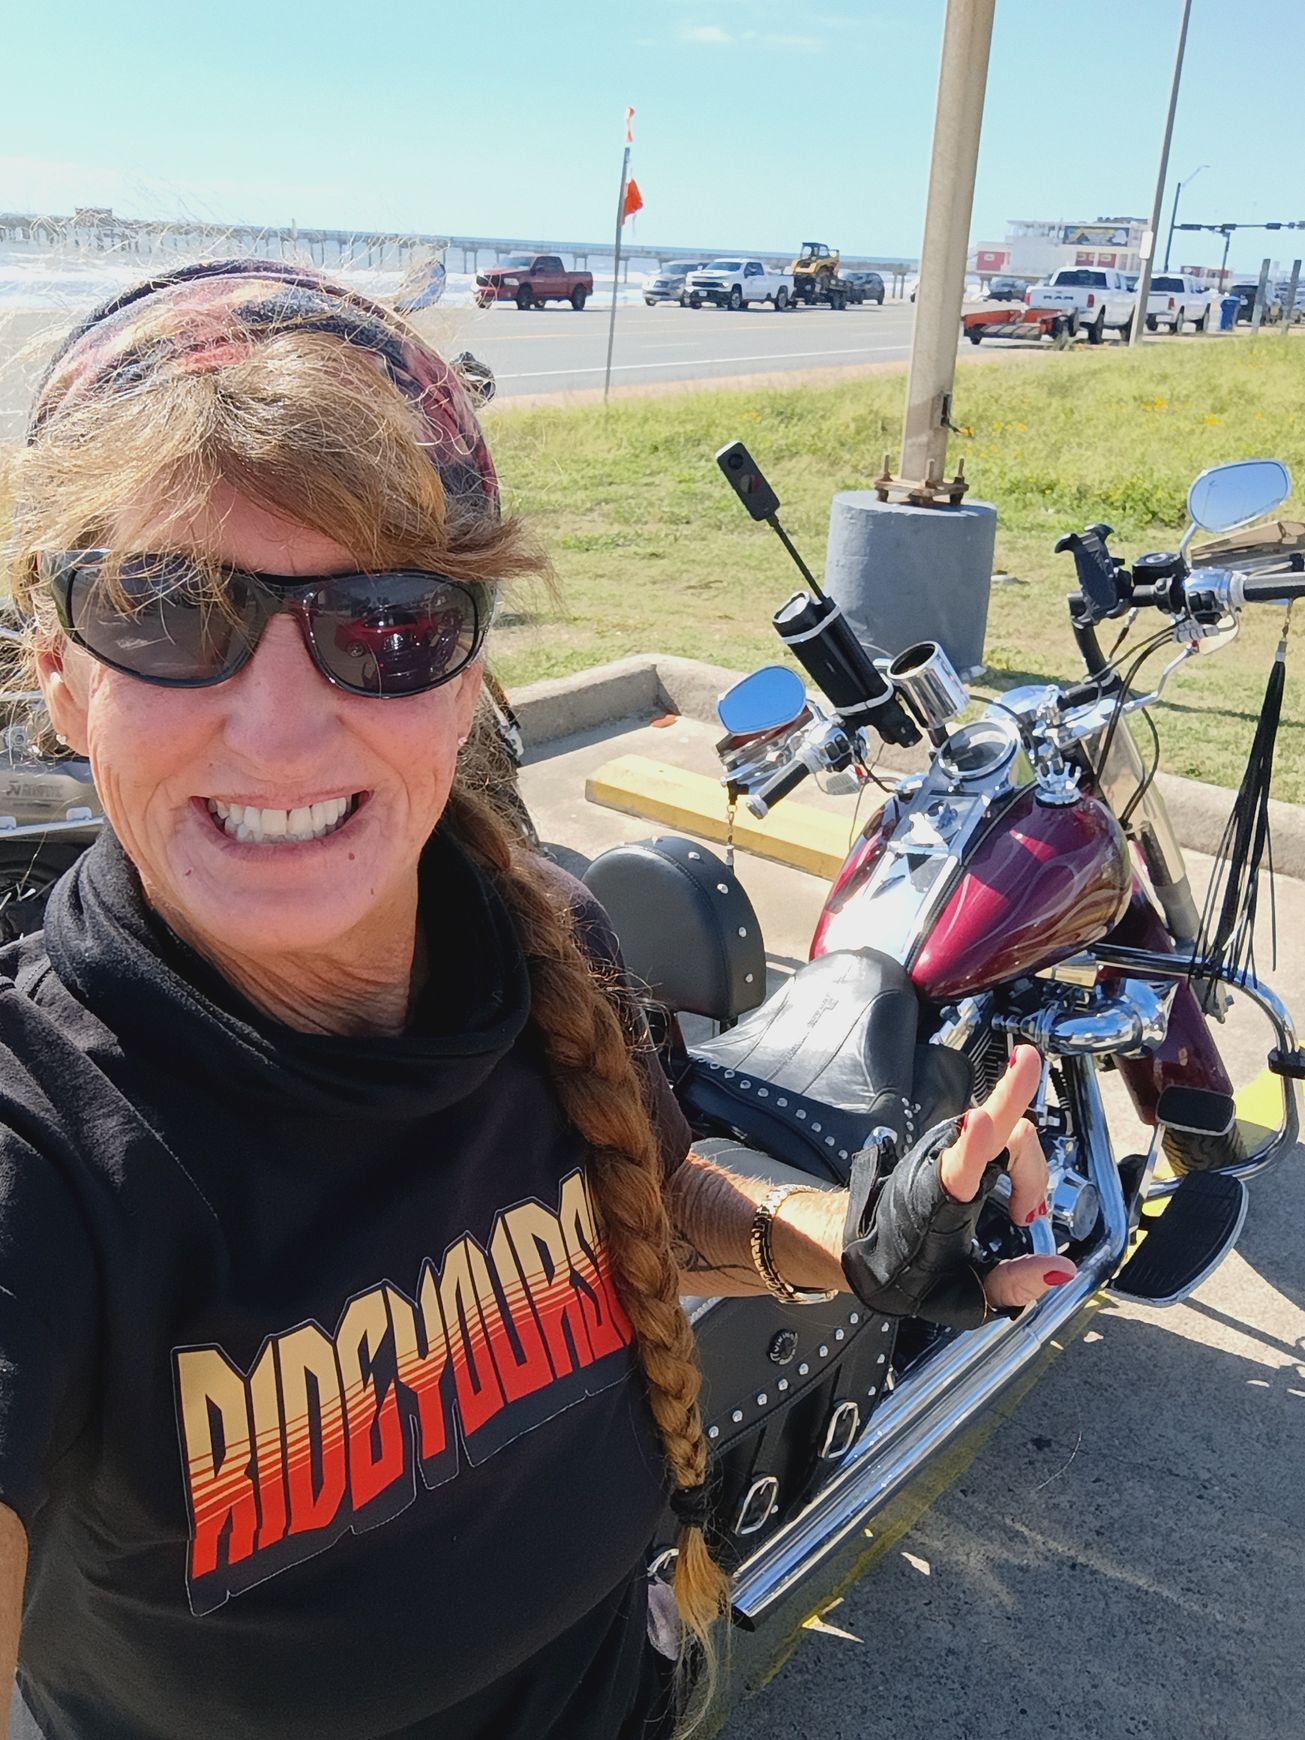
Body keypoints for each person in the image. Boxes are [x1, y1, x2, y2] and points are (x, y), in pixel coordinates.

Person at [0, 260, 1071, 1739]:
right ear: (62, 675)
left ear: (466, 679)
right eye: (168, 610)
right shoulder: (43, 1145)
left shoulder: (544, 937)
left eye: (386, 623)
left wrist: (856, 1242)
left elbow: (641, 1206)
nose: (280, 731)